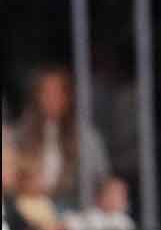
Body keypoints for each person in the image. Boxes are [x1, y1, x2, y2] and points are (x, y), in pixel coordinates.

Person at [6, 66, 111, 208]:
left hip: (74, 207)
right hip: (31, 206)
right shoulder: (21, 134)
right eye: (45, 93)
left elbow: (100, 179)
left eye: (56, 92)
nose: (50, 99)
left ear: (67, 97)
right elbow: (10, 174)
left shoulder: (85, 137)